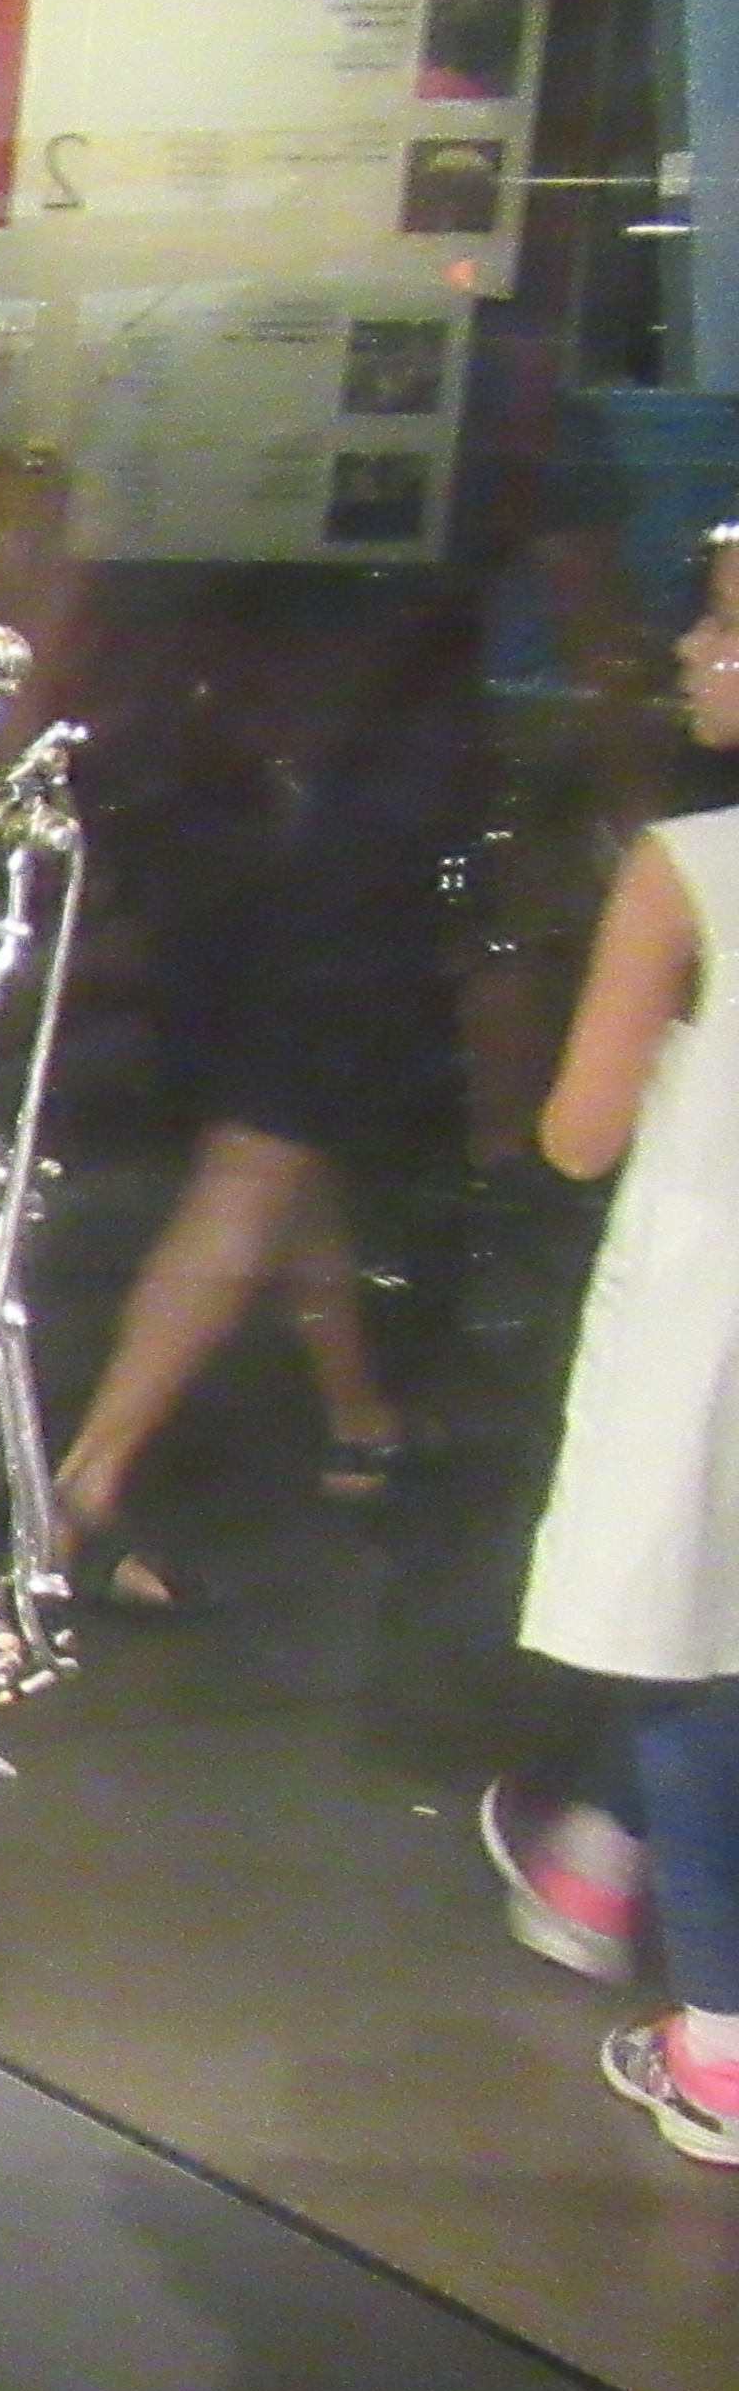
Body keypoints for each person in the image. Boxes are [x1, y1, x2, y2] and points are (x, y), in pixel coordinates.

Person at [50, 646, 462, 1610]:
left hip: (248, 863)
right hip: (325, 880)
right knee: (259, 1162)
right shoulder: (386, 666)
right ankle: (84, 1481)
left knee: (283, 1159)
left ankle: (358, 1418)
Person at [516, 526, 739, 2160]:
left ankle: (717, 2037)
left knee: (687, 1638)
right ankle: (599, 1850)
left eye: (720, 624)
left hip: (707, 1310)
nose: (687, 650)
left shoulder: (685, 868)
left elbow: (576, 1132)